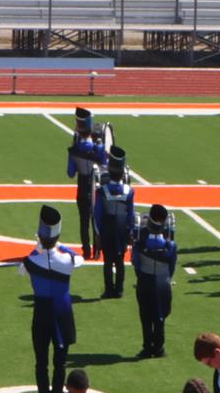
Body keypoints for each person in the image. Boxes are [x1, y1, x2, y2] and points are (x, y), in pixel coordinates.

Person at [24, 205, 80, 393]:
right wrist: (60, 247)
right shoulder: (67, 259)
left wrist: (38, 248)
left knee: (41, 361)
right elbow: (78, 258)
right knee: (60, 361)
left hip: (41, 311)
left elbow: (24, 268)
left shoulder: (32, 260)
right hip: (62, 310)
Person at [132, 204, 178, 359]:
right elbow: (172, 266)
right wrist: (166, 277)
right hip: (162, 282)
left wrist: (141, 275)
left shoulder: (140, 242)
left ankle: (147, 348)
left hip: (145, 279)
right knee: (160, 316)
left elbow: (136, 262)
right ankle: (159, 348)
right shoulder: (170, 245)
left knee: (145, 316)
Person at [95, 147, 135, 299]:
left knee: (107, 261)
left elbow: (97, 214)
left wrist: (98, 233)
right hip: (122, 229)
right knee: (119, 260)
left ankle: (109, 289)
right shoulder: (129, 191)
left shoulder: (102, 190)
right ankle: (119, 290)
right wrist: (130, 231)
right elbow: (130, 214)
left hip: (106, 229)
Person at [66, 109, 104, 260]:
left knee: (83, 221)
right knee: (97, 218)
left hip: (82, 184)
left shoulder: (74, 149)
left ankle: (86, 250)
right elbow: (104, 166)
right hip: (96, 185)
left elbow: (70, 173)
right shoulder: (98, 148)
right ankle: (97, 251)